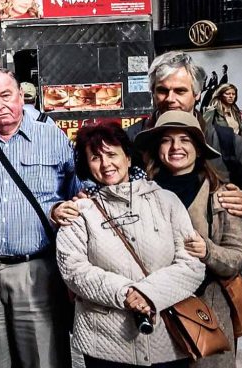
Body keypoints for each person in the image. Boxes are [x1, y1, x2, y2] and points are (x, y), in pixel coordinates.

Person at [55, 122, 206, 368]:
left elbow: (192, 263)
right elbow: (74, 270)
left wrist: (148, 293)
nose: (106, 164)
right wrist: (126, 294)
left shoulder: (166, 201)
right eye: (95, 157)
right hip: (104, 341)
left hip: (167, 340)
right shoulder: (79, 212)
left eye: (112, 154)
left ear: (127, 157)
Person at [0, 68, 80, 368]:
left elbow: (77, 192)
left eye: (5, 95)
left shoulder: (51, 136)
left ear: (21, 96)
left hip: (36, 271)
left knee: (44, 358)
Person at [138, 111, 242, 367]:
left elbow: (237, 257)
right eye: (167, 140)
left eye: (185, 140)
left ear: (198, 149)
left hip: (206, 312)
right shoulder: (141, 192)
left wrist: (207, 250)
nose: (176, 147)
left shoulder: (221, 195)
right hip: (156, 312)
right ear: (157, 148)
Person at [127, 52, 242, 229]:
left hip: (209, 251)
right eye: (162, 91)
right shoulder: (130, 140)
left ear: (197, 94)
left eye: (180, 91)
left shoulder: (228, 143)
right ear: (153, 92)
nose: (171, 99)